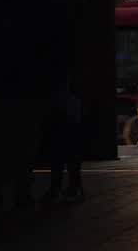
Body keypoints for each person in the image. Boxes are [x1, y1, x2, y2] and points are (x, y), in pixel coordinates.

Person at [44, 70, 84, 203]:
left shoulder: (57, 98)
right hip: (71, 133)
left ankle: (56, 188)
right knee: (71, 162)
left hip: (61, 132)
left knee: (58, 162)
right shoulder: (73, 99)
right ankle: (73, 186)